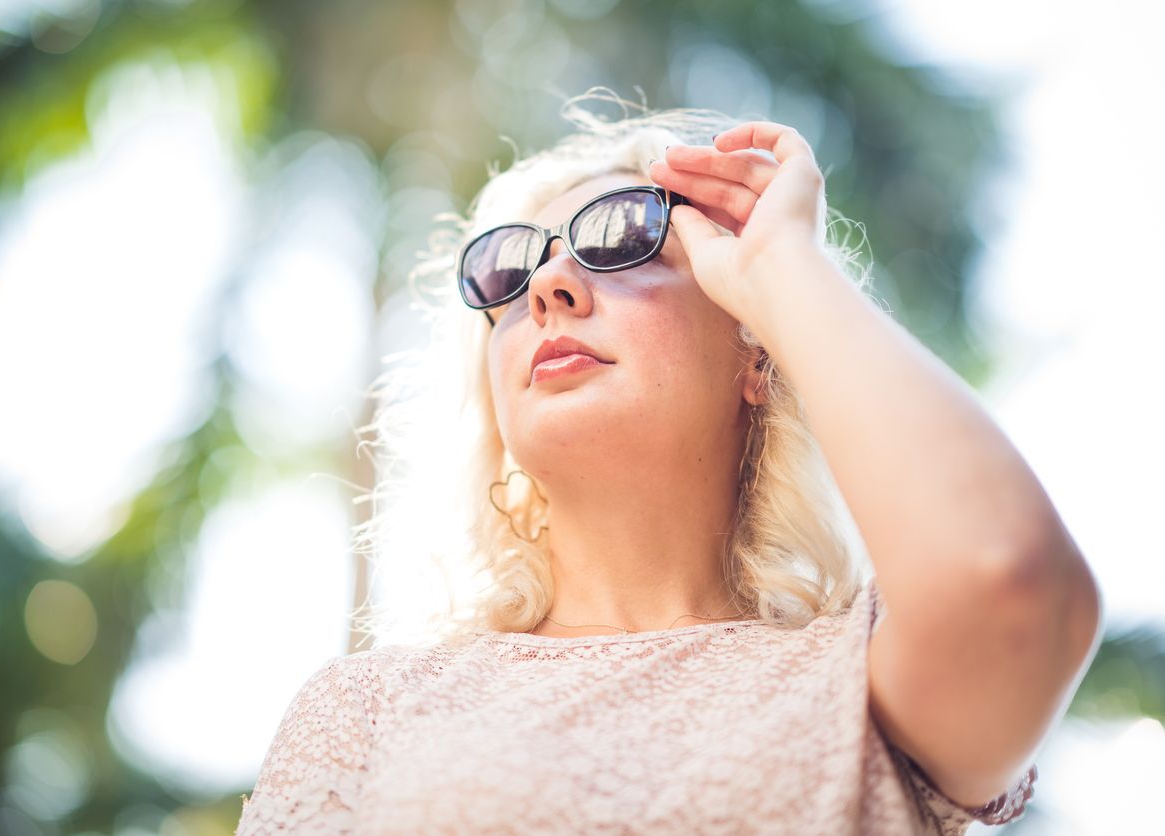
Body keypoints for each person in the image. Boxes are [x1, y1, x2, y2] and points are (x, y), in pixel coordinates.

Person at [234, 99, 1102, 834]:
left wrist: (782, 264)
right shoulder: (372, 706)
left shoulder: (865, 681)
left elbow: (1013, 582)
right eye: (509, 271)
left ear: (756, 351)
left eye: (621, 238)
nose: (548, 287)